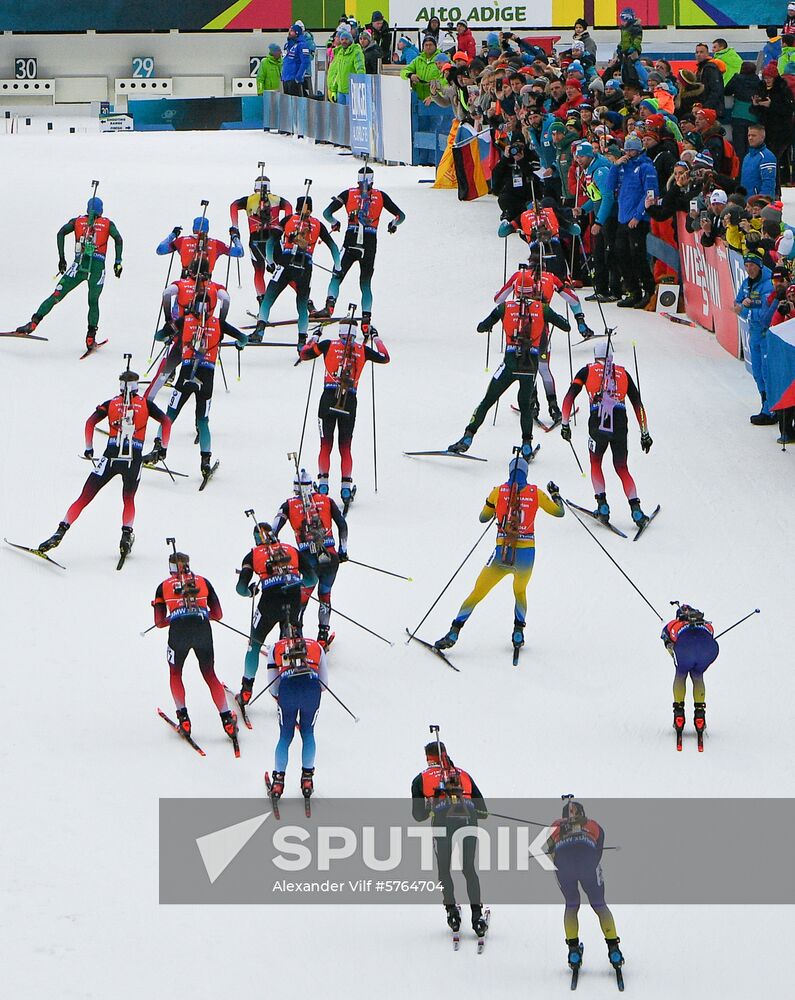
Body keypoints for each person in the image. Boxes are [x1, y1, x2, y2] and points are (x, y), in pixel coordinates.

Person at [38, 366, 171, 559]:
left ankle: (61, 529)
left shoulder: (111, 403)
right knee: (128, 498)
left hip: (110, 455)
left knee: (84, 497)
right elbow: (166, 422)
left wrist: (89, 447)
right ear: (136, 387)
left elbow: (90, 423)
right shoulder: (146, 404)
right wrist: (163, 448)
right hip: (133, 457)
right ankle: (126, 534)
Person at [435, 456, 565, 652]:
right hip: (526, 556)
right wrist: (555, 495)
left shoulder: (498, 491)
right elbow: (559, 513)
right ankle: (518, 631)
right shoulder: (535, 493)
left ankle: (454, 631)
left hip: (501, 555)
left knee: (477, 593)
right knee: (520, 592)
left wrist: (492, 504)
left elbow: (482, 518)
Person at [447, 270, 571, 458]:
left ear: (516, 290)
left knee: (487, 400)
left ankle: (467, 437)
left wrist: (490, 326)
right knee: (526, 406)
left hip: (510, 363)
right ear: (532, 289)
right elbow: (565, 326)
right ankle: (527, 444)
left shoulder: (505, 307)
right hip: (530, 366)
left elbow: (482, 326)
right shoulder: (542, 308)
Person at [146, 297, 247, 478]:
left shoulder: (185, 320)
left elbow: (159, 335)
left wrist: (169, 335)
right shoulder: (219, 323)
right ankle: (205, 460)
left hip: (186, 373)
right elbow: (243, 338)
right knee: (203, 420)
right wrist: (240, 344)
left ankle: (159, 449)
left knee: (170, 414)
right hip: (206, 376)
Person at [561, 341, 653, 530]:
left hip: (598, 421)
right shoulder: (623, 372)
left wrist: (565, 423)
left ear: (596, 357)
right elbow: (638, 405)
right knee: (622, 467)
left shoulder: (587, 370)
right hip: (620, 421)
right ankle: (636, 509)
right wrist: (645, 433)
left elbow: (569, 397)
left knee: (596, 463)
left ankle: (602, 506)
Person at [298, 319, 390, 505]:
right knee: (345, 446)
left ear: (339, 331)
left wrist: (315, 337)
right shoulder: (362, 349)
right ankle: (346, 488)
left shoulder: (328, 345)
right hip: (350, 400)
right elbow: (385, 357)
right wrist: (376, 337)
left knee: (325, 444)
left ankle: (323, 483)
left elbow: (304, 354)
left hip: (328, 398)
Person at [16, 196, 123, 352]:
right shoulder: (107, 223)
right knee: (93, 301)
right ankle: (90, 336)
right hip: (97, 268)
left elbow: (60, 233)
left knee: (56, 295)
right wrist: (118, 262)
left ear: (87, 209)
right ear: (101, 210)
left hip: (78, 265)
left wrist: (61, 258)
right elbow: (118, 239)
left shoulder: (77, 221)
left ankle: (33, 322)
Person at [152, 550, 238, 743]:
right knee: (210, 674)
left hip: (178, 633)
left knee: (175, 674)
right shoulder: (203, 581)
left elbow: (158, 622)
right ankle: (227, 720)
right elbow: (218, 614)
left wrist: (173, 615)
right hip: (202, 630)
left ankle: (184, 719)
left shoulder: (162, 587)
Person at [411, 738, 489, 936]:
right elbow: (484, 812)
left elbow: (418, 816)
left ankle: (452, 912)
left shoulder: (421, 779)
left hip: (442, 824)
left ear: (428, 759)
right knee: (469, 868)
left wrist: (431, 806)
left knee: (444, 869)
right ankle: (477, 916)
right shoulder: (463, 774)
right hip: (467, 820)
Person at [542, 798, 624, 978]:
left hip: (564, 866)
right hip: (588, 862)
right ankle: (614, 950)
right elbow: (598, 850)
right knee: (599, 904)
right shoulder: (593, 824)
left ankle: (573, 951)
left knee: (571, 904)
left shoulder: (555, 825)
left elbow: (549, 850)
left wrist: (562, 864)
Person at [314, 166, 404, 328]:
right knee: (365, 283)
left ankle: (330, 306)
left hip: (351, 239)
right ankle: (366, 318)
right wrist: (393, 224)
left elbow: (327, 212)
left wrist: (335, 223)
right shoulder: (380, 196)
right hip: (369, 242)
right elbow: (400, 216)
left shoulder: (348, 193)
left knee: (337, 275)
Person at [271, 469, 348, 649]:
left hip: (307, 560)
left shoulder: (289, 504)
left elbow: (274, 529)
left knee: (301, 599)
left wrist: (277, 555)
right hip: (331, 557)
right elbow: (342, 525)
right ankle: (323, 635)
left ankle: (296, 636)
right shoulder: (327, 500)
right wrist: (343, 549)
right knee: (325, 595)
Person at [254, 196, 341, 348]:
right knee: (302, 305)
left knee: (268, 299)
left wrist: (270, 262)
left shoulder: (288, 220)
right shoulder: (317, 224)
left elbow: (270, 242)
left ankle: (259, 331)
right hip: (305, 266)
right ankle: (302, 341)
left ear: (296, 208)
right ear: (311, 209)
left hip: (285, 262)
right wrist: (338, 267)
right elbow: (333, 246)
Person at [236, 523, 304, 707]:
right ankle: (291, 686)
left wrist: (251, 592)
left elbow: (240, 588)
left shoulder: (253, 554)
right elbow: (312, 578)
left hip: (269, 603)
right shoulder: (291, 549)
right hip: (294, 598)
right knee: (289, 643)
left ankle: (246, 690)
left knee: (254, 644)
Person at [265, 623, 329, 802]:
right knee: (308, 733)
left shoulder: (275, 647)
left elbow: (272, 686)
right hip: (311, 691)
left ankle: (278, 782)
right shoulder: (316, 646)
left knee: (285, 737)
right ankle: (307, 779)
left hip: (288, 692)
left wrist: (280, 698)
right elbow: (324, 684)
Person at [146, 272, 229, 404]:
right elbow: (226, 299)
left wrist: (168, 321)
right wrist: (222, 324)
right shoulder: (215, 287)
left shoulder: (182, 286)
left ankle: (148, 401)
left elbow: (166, 293)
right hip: (208, 344)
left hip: (183, 337)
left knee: (166, 371)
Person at [607, 133, 658, 308]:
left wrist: (638, 215)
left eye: (632, 150)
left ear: (639, 150)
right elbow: (609, 187)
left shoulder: (646, 167)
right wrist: (615, 167)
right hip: (623, 218)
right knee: (621, 254)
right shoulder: (623, 167)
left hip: (638, 219)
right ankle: (633, 291)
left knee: (638, 257)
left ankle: (649, 291)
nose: (629, 153)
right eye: (627, 149)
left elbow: (650, 194)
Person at [662, 603, 719, 746]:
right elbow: (711, 634)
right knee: (698, 675)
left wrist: (672, 650)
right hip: (709, 651)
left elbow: (665, 637)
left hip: (684, 650)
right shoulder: (706, 624)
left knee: (680, 674)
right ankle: (700, 716)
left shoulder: (674, 624)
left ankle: (678, 714)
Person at [229, 175, 292, 300]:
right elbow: (288, 207)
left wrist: (235, 226)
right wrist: (287, 228)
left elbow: (233, 206)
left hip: (255, 239)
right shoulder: (276, 199)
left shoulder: (248, 200)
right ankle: (307, 302)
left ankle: (262, 302)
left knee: (259, 271)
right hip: (274, 237)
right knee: (286, 271)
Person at [733, 253, 778, 424]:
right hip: (754, 334)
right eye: (746, 266)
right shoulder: (747, 283)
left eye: (752, 265)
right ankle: (765, 405)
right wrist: (743, 308)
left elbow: (766, 313)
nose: (749, 269)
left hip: (766, 334)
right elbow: (737, 304)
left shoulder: (768, 284)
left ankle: (771, 410)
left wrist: (746, 309)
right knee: (757, 372)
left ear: (759, 265)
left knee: (767, 372)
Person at [574, 141, 620, 302]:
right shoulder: (589, 170)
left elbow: (608, 198)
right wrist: (583, 209)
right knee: (598, 253)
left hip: (609, 218)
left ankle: (614, 290)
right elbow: (596, 197)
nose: (579, 160)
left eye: (582, 156)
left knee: (609, 253)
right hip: (601, 215)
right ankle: (601, 288)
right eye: (577, 156)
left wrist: (599, 221)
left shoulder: (600, 171)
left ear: (590, 156)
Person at [155, 215, 243, 279]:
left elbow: (160, 250)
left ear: (193, 228)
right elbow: (240, 252)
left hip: (185, 282)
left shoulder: (181, 241)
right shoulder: (217, 244)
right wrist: (235, 237)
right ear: (207, 229)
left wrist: (173, 235)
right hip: (206, 285)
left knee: (179, 301)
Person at [327, 29, 365, 104]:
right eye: (342, 39)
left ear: (351, 40)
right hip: (340, 91)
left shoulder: (356, 52)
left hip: (351, 91)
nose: (344, 41)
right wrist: (334, 89)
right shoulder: (340, 53)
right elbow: (336, 73)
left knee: (350, 113)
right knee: (341, 114)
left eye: (346, 39)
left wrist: (359, 88)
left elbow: (360, 69)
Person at [400, 35, 443, 101]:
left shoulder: (442, 59)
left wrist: (434, 98)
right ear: (423, 47)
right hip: (419, 101)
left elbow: (447, 83)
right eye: (426, 45)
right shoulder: (418, 60)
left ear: (435, 46)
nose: (428, 47)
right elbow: (403, 72)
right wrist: (410, 75)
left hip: (436, 102)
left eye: (431, 45)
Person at [741, 124, 778, 197]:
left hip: (759, 205)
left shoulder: (767, 157)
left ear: (762, 137)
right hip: (746, 204)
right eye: (749, 135)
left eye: (754, 135)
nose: (750, 138)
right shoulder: (747, 157)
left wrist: (761, 202)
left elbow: (768, 184)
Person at [694, 42, 725, 115]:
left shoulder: (710, 68)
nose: (698, 54)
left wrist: (706, 107)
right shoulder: (702, 68)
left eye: (701, 52)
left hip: (711, 110)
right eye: (697, 52)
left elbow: (716, 90)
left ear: (707, 53)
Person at [282, 23, 312, 97]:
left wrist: (298, 77)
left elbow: (305, 61)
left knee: (295, 105)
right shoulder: (291, 45)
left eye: (292, 31)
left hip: (293, 79)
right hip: (287, 78)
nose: (289, 32)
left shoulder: (302, 45)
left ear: (297, 32)